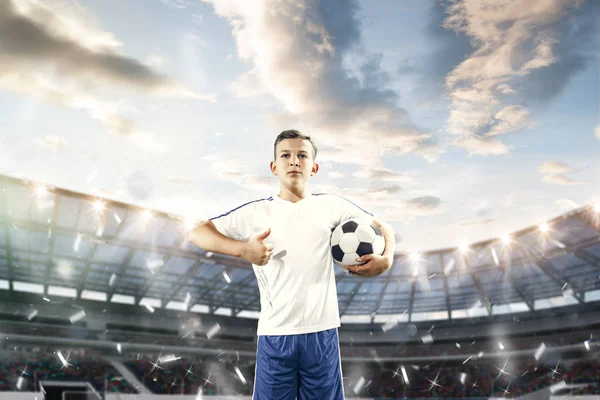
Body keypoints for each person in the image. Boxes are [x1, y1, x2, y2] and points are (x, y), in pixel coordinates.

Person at [189, 129, 396, 400]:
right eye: (286, 155)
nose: (294, 161)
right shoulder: (256, 212)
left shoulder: (331, 206)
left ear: (314, 166)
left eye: (302, 155)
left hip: (322, 333)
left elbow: (383, 226)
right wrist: (242, 249)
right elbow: (198, 232)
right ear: (274, 167)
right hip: (276, 334)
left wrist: (387, 259)